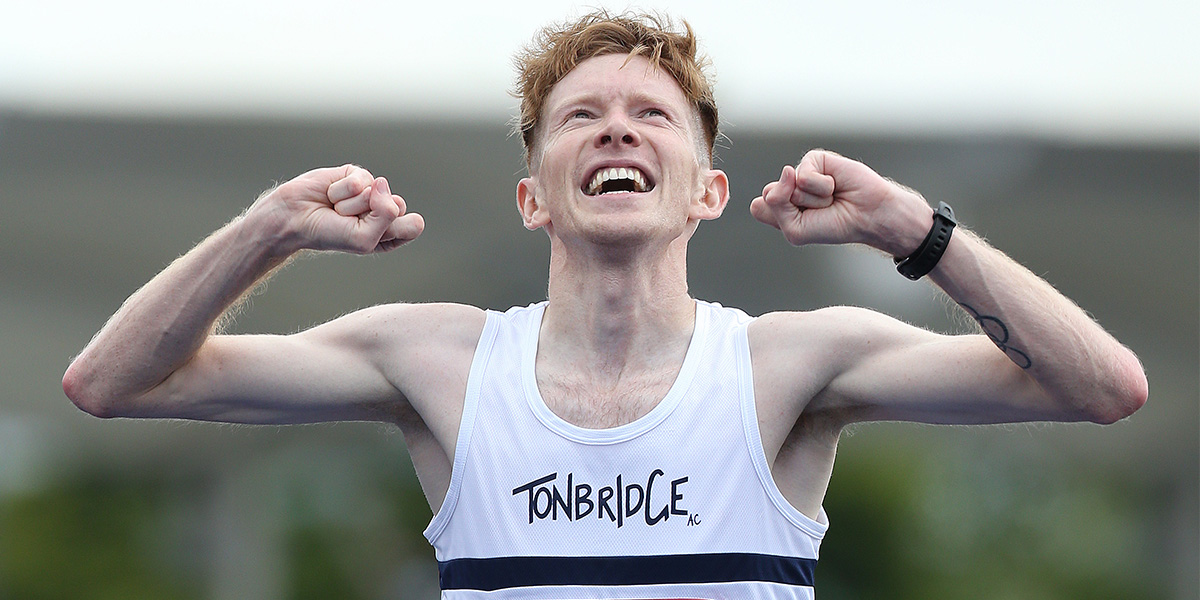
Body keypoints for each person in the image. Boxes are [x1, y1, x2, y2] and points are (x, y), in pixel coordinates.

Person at [62, 10, 1147, 599]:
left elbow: (1102, 388)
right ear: (534, 197)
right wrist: (268, 230)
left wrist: (918, 231)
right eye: (581, 116)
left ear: (708, 193)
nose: (618, 130)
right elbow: (110, 385)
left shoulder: (787, 365)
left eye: (652, 116)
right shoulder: (436, 361)